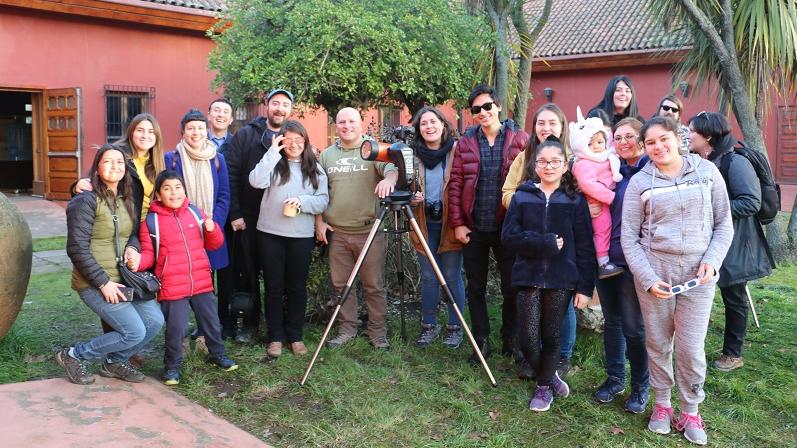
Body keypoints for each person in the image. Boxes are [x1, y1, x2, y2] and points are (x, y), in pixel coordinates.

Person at [621, 116, 733, 445]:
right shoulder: (640, 183)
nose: (658, 147)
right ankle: (662, 405)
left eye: (663, 139)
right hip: (656, 274)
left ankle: (691, 408)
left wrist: (712, 261)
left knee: (690, 347)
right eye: (650, 142)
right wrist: (647, 277)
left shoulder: (706, 172)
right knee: (657, 343)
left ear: (678, 137)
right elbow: (629, 238)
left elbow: (724, 224)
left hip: (699, 277)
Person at [501, 137, 595, 412]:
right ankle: (550, 375)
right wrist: (543, 243)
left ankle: (543, 387)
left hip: (561, 277)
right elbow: (509, 237)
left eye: (555, 161)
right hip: (528, 275)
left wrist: (585, 287)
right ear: (534, 165)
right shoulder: (522, 196)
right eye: (543, 161)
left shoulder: (574, 201)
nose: (549, 166)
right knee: (528, 337)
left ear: (565, 166)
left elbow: (586, 246)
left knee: (551, 335)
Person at [57, 144, 164, 385]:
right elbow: (76, 248)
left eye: (119, 162)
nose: (114, 166)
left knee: (154, 322)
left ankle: (114, 362)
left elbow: (133, 232)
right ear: (97, 167)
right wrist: (103, 283)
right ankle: (73, 355)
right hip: (94, 282)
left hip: (123, 279)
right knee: (134, 331)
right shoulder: (84, 201)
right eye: (108, 161)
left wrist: (133, 247)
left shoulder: (126, 199)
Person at [72, 114, 167, 363]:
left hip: (138, 227)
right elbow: (91, 184)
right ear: (130, 132)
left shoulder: (156, 163)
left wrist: (134, 245)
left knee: (151, 317)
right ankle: (118, 345)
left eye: (151, 131)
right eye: (140, 130)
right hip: (115, 230)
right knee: (127, 320)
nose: (145, 136)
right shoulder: (118, 155)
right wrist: (77, 186)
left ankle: (118, 354)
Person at [688, 111, 774, 372]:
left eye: (692, 131)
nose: (688, 135)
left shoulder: (735, 162)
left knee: (734, 296)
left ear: (708, 136)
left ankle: (733, 354)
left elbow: (750, 201)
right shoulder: (705, 160)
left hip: (737, 242)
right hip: (709, 240)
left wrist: (711, 209)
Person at [449, 84, 528, 365]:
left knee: (512, 287)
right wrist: (458, 223)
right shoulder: (467, 143)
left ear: (497, 107)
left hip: (508, 228)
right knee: (476, 288)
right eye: (475, 110)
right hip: (475, 227)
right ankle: (481, 341)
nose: (482, 113)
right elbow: (455, 185)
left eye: (486, 107)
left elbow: (528, 183)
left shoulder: (520, 139)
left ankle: (511, 338)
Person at [135, 170, 238, 385]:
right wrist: (136, 261)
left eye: (178, 187)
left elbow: (214, 244)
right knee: (177, 328)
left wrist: (212, 230)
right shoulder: (151, 222)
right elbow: (148, 255)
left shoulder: (195, 213)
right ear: (158, 195)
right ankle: (172, 366)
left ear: (184, 190)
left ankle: (217, 354)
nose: (174, 193)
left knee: (211, 322)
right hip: (172, 286)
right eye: (167, 188)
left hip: (201, 281)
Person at [315, 107, 398, 350]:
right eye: (342, 122)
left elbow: (392, 168)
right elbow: (318, 190)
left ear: (361, 124)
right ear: (336, 125)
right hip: (337, 233)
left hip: (369, 232)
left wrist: (389, 179)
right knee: (341, 285)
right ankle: (347, 329)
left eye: (352, 121)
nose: (347, 126)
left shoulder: (373, 149)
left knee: (374, 285)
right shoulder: (327, 155)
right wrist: (319, 221)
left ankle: (377, 332)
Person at [249, 120, 328, 358]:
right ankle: (275, 337)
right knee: (273, 287)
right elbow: (255, 180)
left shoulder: (315, 169)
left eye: (298, 140)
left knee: (296, 288)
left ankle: (295, 336)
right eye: (288, 140)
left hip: (300, 236)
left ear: (305, 142)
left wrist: (303, 202)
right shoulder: (274, 164)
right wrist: (273, 152)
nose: (293, 145)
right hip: (270, 234)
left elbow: (323, 200)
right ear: (281, 141)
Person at [224, 88, 294, 342]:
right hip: (249, 218)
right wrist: (235, 213)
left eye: (285, 104)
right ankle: (249, 324)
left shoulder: (294, 137)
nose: (280, 108)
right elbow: (230, 174)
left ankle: (280, 327)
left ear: (290, 109)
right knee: (247, 274)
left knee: (279, 275)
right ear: (267, 105)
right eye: (275, 103)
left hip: (282, 219)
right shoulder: (245, 135)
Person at [593, 117, 650, 414]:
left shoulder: (649, 172)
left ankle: (642, 384)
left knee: (634, 327)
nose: (623, 141)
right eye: (618, 137)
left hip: (634, 261)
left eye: (630, 136)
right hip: (606, 259)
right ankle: (615, 378)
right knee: (612, 322)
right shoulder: (612, 172)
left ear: (642, 139)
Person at [408, 106, 465, 349]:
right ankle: (429, 325)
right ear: (419, 130)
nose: (429, 126)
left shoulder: (457, 151)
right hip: (423, 222)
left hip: (451, 224)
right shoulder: (412, 155)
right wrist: (412, 197)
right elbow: (403, 185)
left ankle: (455, 326)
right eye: (423, 123)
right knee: (429, 277)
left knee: (452, 276)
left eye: (433, 121)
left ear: (443, 124)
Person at [568, 108, 623, 279]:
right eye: (590, 144)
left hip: (602, 200)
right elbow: (587, 184)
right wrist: (612, 197)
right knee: (602, 229)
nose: (596, 147)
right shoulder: (584, 163)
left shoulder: (605, 157)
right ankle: (602, 261)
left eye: (599, 142)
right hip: (596, 202)